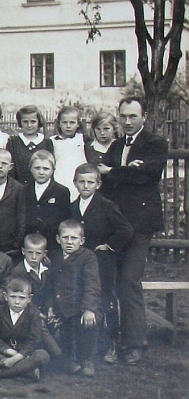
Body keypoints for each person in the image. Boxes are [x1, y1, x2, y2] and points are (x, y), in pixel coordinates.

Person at [98, 96, 168, 365]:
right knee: (110, 283)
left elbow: (144, 177)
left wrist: (115, 170)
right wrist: (123, 170)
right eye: (123, 116)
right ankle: (111, 342)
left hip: (139, 225)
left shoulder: (155, 144)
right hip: (116, 227)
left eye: (133, 117)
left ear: (144, 117)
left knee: (129, 281)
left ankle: (135, 344)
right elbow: (105, 179)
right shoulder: (116, 145)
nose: (127, 122)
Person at [71, 163, 133, 363]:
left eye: (91, 182)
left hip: (102, 263)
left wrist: (109, 246)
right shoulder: (73, 207)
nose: (86, 186)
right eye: (82, 182)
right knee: (83, 298)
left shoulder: (106, 205)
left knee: (105, 300)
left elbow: (125, 229)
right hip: (81, 263)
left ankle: (111, 343)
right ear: (75, 183)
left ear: (98, 184)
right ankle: (89, 343)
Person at [47, 220, 101, 377]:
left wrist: (89, 309)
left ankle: (86, 359)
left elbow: (92, 284)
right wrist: (50, 306)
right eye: (65, 238)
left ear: (82, 240)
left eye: (74, 238)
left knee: (90, 321)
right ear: (58, 239)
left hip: (79, 305)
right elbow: (50, 284)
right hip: (59, 305)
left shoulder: (88, 257)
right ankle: (64, 359)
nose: (69, 242)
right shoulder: (54, 256)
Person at [0, 277, 50, 380]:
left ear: (29, 299)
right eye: (13, 297)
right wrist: (9, 352)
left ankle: (0, 373)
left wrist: (16, 358)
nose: (17, 302)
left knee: (42, 355)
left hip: (25, 354)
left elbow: (34, 340)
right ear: (5, 296)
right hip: (5, 353)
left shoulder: (33, 314)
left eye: (22, 298)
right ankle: (26, 371)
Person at [10, 234, 62, 357]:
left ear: (44, 253)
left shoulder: (46, 268)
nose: (33, 257)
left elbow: (49, 291)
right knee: (40, 323)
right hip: (24, 309)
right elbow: (22, 298)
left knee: (58, 321)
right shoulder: (19, 272)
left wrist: (49, 308)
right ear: (23, 251)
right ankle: (61, 358)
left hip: (43, 308)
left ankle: (55, 356)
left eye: (38, 254)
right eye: (30, 253)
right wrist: (39, 314)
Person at [22, 150, 70, 250]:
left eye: (46, 169)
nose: (41, 172)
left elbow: (64, 219)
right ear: (30, 168)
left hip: (51, 243)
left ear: (53, 170)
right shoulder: (24, 190)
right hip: (29, 243)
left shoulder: (61, 191)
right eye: (37, 168)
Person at [6, 105, 53, 185]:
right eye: (25, 122)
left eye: (33, 121)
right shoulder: (13, 142)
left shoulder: (47, 142)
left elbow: (50, 167)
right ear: (20, 122)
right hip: (18, 188)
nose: (29, 125)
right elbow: (11, 170)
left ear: (39, 122)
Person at [51, 106, 88, 200]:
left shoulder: (84, 140)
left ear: (78, 124)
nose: (68, 126)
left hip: (79, 180)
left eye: (72, 122)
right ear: (58, 123)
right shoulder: (52, 141)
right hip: (60, 178)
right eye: (64, 122)